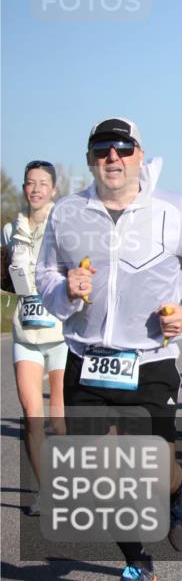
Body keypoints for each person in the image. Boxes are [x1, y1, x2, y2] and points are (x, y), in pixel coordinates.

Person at [36, 117, 182, 581]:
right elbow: (44, 277)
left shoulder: (172, 209)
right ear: (89, 159)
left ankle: (177, 490)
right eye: (102, 149)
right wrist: (65, 290)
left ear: (139, 155)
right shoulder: (66, 213)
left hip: (150, 360)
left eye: (123, 149)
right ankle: (134, 558)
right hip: (87, 360)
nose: (113, 158)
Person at [1, 160, 67, 516]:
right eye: (30, 183)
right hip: (25, 331)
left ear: (54, 189)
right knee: (31, 417)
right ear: (24, 188)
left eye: (43, 183)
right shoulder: (11, 230)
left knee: (59, 420)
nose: (36, 189)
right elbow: (6, 277)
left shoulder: (65, 228)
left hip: (59, 335)